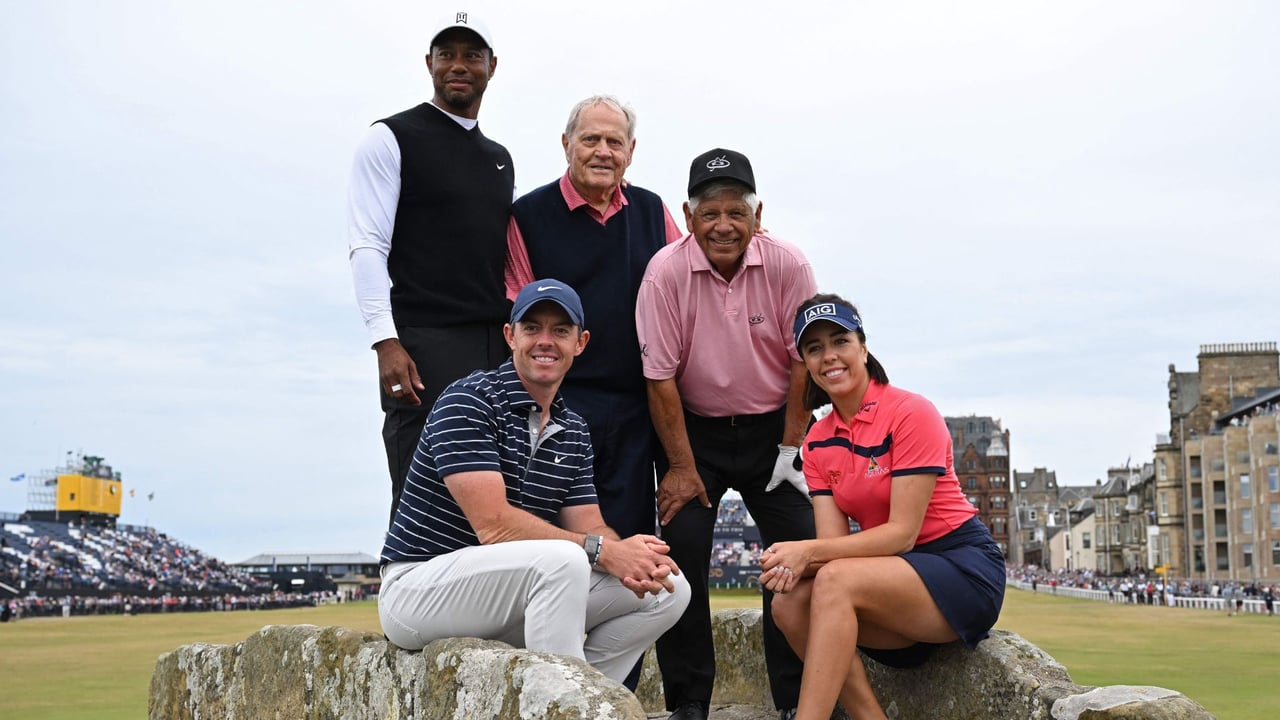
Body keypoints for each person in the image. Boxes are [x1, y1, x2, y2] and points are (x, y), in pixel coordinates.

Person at [378, 280, 690, 682]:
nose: (545, 341)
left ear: (580, 343)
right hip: (418, 590)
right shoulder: (469, 400)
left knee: (668, 587)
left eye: (560, 330)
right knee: (564, 561)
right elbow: (494, 527)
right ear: (510, 336)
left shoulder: (573, 429)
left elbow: (590, 526)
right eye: (531, 328)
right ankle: (560, 701)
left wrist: (630, 556)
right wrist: (603, 551)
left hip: (507, 592)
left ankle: (588, 699)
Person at [635, 148, 818, 720]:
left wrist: (791, 449)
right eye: (709, 212)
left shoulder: (788, 263)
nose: (723, 225)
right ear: (688, 217)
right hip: (695, 434)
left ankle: (797, 699)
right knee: (680, 550)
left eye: (736, 212)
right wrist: (681, 467)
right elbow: (659, 378)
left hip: (775, 429)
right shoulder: (664, 272)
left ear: (757, 215)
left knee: (799, 549)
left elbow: (803, 363)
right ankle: (689, 701)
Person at [764, 295, 1006, 720]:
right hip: (892, 579)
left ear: (863, 348)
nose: (829, 356)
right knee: (787, 603)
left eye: (840, 341)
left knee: (834, 579)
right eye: (814, 348)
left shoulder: (911, 412)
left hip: (961, 568)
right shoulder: (817, 440)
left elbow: (902, 534)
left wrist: (807, 552)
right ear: (805, 363)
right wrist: (786, 562)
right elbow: (833, 546)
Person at [348, 11, 514, 525]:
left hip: (492, 348)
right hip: (421, 346)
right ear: (429, 63)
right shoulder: (391, 137)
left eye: (471, 55)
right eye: (447, 55)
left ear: (492, 66)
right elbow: (367, 245)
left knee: (492, 504)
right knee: (420, 499)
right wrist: (385, 341)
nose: (458, 65)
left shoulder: (499, 158)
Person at [505, 95, 683, 540]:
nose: (603, 151)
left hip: (634, 406)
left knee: (629, 537)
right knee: (553, 540)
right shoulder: (528, 215)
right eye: (590, 140)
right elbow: (517, 313)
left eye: (614, 142)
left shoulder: (652, 210)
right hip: (557, 402)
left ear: (630, 151)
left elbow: (688, 277)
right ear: (566, 144)